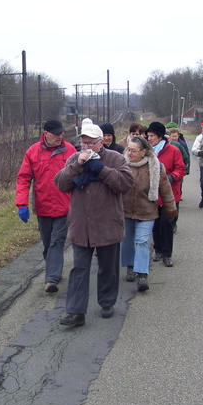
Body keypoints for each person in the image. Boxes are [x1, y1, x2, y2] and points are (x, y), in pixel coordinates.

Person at [54, 123, 134, 327]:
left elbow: (125, 184)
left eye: (90, 142)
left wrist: (102, 170)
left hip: (108, 223)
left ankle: (107, 302)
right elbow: (61, 184)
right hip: (81, 225)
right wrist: (77, 165)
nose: (86, 146)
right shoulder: (75, 158)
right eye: (83, 142)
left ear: (101, 142)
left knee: (108, 267)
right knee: (79, 268)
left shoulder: (115, 158)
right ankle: (75, 311)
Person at [16, 119, 76, 293]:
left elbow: (78, 174)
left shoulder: (70, 151)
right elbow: (23, 178)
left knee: (57, 241)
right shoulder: (33, 152)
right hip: (43, 207)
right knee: (47, 242)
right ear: (46, 134)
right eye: (56, 134)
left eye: (61, 133)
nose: (60, 136)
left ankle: (50, 279)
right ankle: (54, 269)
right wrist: (22, 204)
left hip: (65, 207)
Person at [121, 136, 177, 291]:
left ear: (144, 152)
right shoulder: (121, 164)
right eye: (128, 149)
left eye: (133, 150)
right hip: (125, 210)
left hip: (147, 211)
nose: (130, 153)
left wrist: (171, 209)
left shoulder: (156, 166)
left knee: (141, 241)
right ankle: (130, 266)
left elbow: (165, 189)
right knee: (126, 241)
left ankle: (142, 274)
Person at [145, 122, 185, 267]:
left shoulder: (173, 150)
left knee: (166, 224)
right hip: (153, 194)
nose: (149, 139)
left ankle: (167, 254)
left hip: (169, 194)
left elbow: (181, 168)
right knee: (155, 224)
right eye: (148, 136)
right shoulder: (147, 152)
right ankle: (158, 250)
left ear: (160, 136)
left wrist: (171, 177)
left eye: (152, 136)